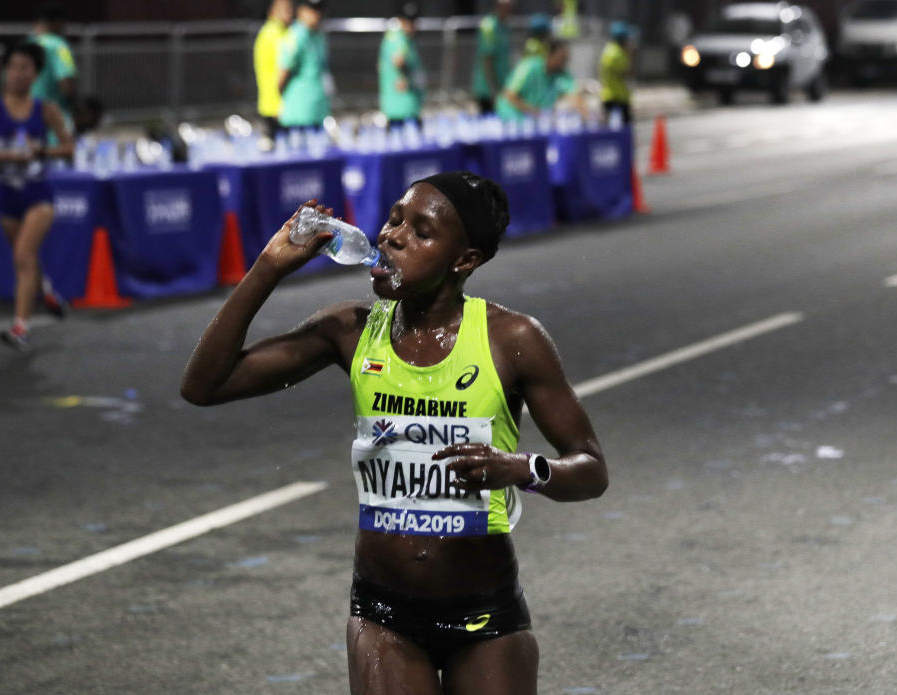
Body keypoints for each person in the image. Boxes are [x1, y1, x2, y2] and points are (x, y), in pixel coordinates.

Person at [181, 171, 608, 694]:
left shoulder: (512, 340)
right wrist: (268, 269)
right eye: (394, 219)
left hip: (485, 614)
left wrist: (523, 469)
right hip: (383, 614)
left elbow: (590, 468)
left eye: (421, 231)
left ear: (464, 260)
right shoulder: (352, 329)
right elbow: (204, 385)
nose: (391, 236)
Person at [0, 42, 74, 350]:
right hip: (5, 194)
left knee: (22, 257)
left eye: (25, 68)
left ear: (35, 73)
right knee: (26, 258)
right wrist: (6, 156)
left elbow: (69, 148)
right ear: (5, 70)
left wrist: (42, 150)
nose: (18, 74)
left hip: (37, 194)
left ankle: (21, 327)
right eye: (13, 67)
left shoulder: (45, 110)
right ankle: (48, 291)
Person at [277, 0, 330, 132]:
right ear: (301, 11)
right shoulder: (296, 35)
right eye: (312, 9)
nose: (316, 14)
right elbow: (283, 71)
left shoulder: (319, 36)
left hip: (318, 110)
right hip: (299, 112)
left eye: (319, 9)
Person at [495, 39, 581, 120]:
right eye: (561, 59)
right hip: (512, 116)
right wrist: (533, 111)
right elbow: (509, 95)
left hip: (536, 118)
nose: (564, 63)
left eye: (566, 60)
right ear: (549, 55)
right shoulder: (528, 67)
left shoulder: (562, 75)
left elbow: (574, 96)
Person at [29, 3, 77, 142]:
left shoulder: (26, 44)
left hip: (26, 117)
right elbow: (66, 82)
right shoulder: (59, 46)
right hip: (54, 121)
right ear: (57, 23)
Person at [378, 3, 425, 128]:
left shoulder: (408, 38)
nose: (411, 26)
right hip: (400, 108)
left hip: (411, 105)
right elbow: (398, 60)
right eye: (408, 22)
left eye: (413, 21)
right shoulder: (397, 37)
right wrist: (405, 76)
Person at [254, 0, 293, 143]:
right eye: (284, 9)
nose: (289, 12)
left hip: (277, 105)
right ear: (272, 12)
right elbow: (281, 70)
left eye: (289, 8)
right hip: (275, 107)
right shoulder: (272, 34)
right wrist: (279, 106)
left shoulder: (281, 31)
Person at [471, 0, 513, 115]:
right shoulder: (489, 26)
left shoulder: (503, 25)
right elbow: (487, 59)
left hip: (501, 88)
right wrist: (494, 92)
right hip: (488, 90)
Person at [599, 21, 634, 126]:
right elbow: (626, 73)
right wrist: (630, 55)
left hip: (608, 95)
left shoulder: (608, 50)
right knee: (621, 130)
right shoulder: (618, 54)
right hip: (617, 97)